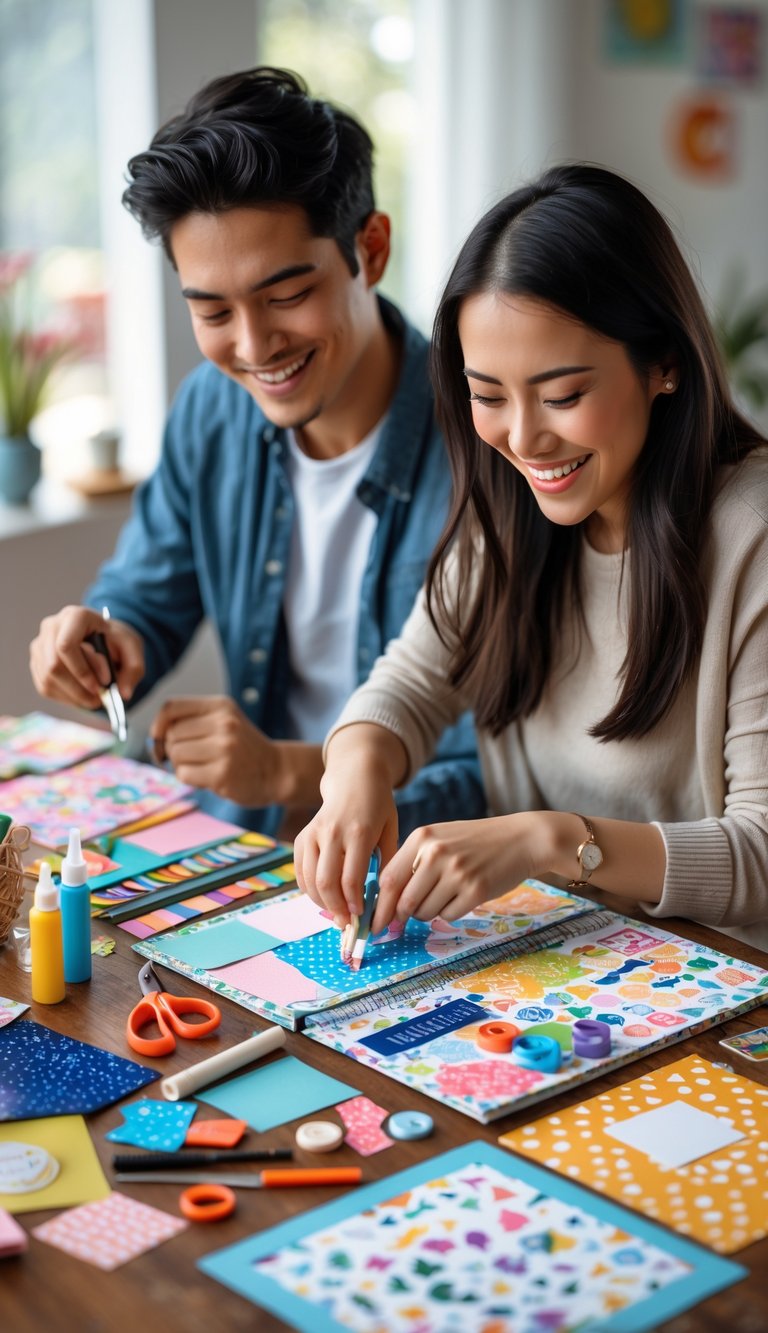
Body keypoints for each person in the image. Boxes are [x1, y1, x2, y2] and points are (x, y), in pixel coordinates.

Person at [294, 162, 768, 954]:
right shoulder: (514, 511)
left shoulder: (750, 534)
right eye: (488, 395)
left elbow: (760, 852)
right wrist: (354, 770)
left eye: (562, 395)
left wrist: (549, 842)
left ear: (665, 365)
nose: (522, 437)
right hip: (571, 970)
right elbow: (408, 683)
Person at [28, 67, 483, 839]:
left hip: (431, 877)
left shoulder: (489, 445)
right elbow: (145, 593)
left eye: (285, 296)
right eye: (211, 309)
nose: (252, 346)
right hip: (250, 852)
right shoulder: (212, 410)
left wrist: (286, 771)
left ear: (368, 250)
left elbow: (502, 772)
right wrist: (106, 642)